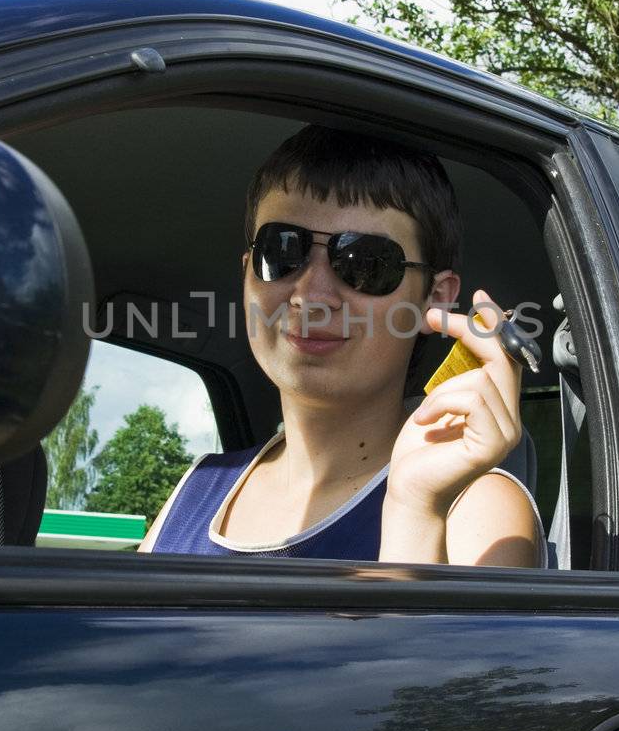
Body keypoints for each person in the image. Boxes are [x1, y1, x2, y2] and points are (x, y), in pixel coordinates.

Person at [138, 125, 546, 567]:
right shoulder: (196, 490)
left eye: (365, 264)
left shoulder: (472, 508)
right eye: (282, 251)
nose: (311, 296)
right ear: (247, 272)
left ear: (437, 296)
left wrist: (415, 509)